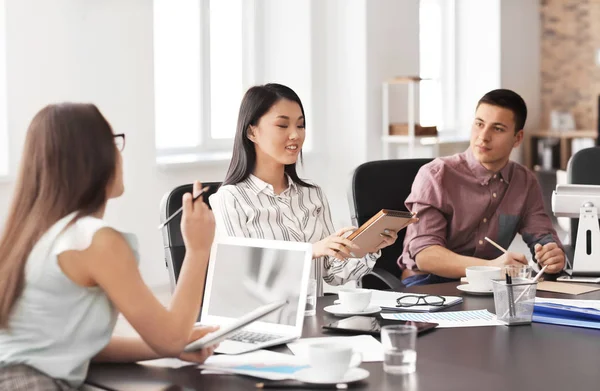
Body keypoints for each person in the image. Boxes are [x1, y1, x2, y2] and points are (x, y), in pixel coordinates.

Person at [0, 103, 217, 390]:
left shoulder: (32, 235)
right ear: (94, 156)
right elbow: (172, 335)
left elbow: (78, 348)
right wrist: (198, 249)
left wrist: (165, 347)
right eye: (113, 142)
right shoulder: (95, 241)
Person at [210, 83, 399, 286]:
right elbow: (245, 276)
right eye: (283, 125)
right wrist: (311, 251)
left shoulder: (312, 194)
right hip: (265, 316)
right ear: (252, 132)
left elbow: (332, 275)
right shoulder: (230, 198)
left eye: (300, 125)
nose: (296, 135)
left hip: (315, 313)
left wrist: (368, 247)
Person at [398, 89, 566, 286]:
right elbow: (425, 256)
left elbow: (543, 237)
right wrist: (491, 267)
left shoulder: (524, 181)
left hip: (488, 284)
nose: (483, 137)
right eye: (479, 124)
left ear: (517, 138)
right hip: (428, 283)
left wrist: (552, 254)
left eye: (498, 129)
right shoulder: (435, 175)